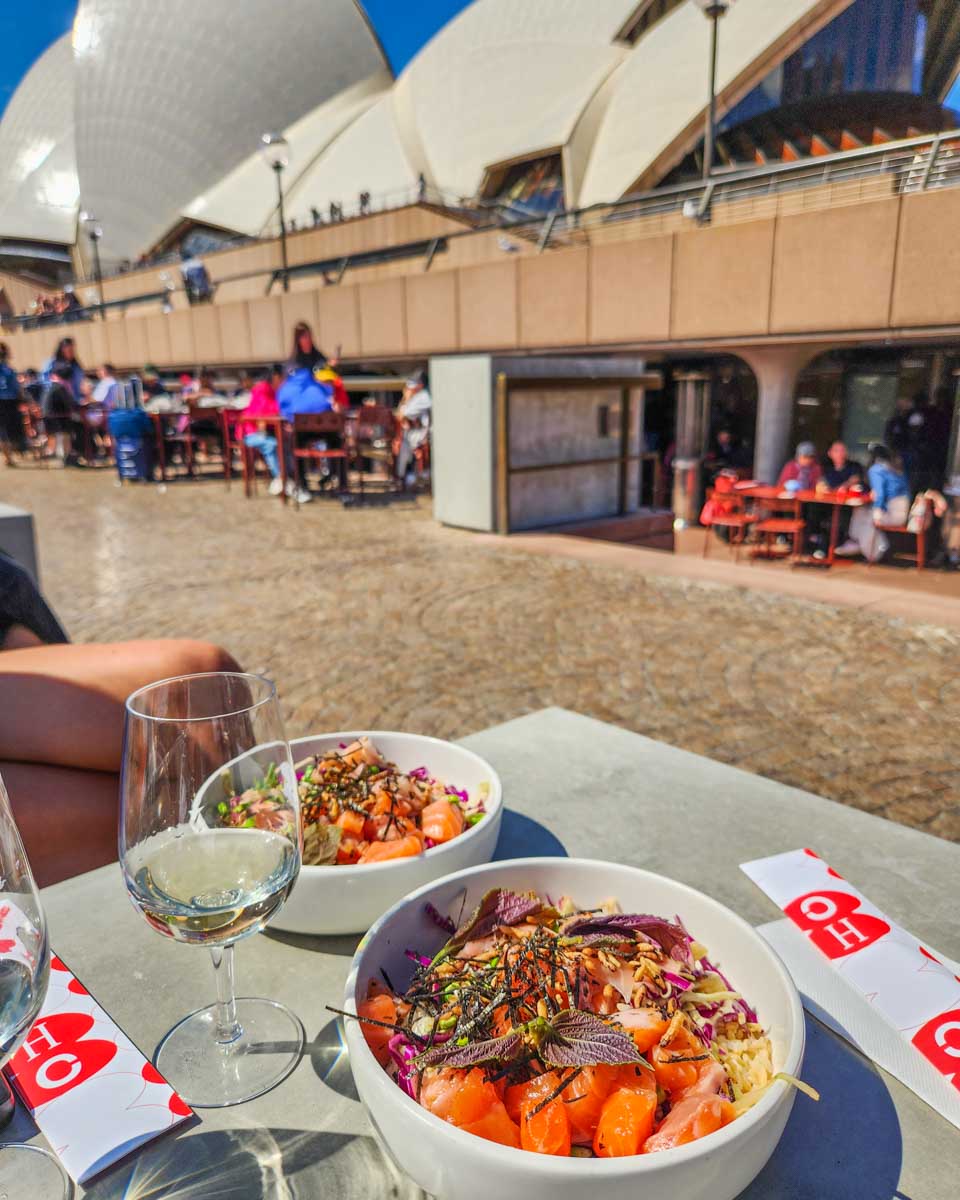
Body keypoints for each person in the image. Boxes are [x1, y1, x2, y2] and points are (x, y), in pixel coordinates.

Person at [236, 366, 309, 502]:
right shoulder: (263, 390)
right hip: (251, 434)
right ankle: (283, 479)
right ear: (276, 378)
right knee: (273, 445)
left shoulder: (276, 392)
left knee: (287, 443)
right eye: (283, 379)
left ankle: (289, 479)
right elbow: (266, 412)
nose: (285, 382)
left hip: (269, 432)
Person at [836, 445, 910, 561]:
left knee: (869, 519)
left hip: (893, 514)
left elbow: (879, 494)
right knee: (860, 511)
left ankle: (874, 552)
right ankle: (857, 542)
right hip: (901, 512)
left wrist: (877, 511)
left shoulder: (877, 469)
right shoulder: (896, 469)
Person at [395, 370, 432, 487]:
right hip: (423, 433)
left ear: (420, 385)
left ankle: (405, 477)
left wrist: (406, 398)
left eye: (412, 385)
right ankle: (411, 475)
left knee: (404, 441)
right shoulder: (422, 395)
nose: (409, 388)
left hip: (427, 434)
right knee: (405, 439)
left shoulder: (423, 396)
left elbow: (401, 414)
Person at [41, 361, 81, 461]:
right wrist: (78, 407)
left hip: (48, 416)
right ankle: (65, 456)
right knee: (65, 435)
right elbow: (69, 402)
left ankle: (60, 454)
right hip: (59, 417)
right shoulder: (61, 386)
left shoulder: (50, 385)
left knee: (58, 436)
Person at [0, 343, 24, 466]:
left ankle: (9, 457)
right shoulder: (8, 370)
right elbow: (17, 387)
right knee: (8, 430)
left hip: (8, 401)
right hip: (8, 401)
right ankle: (9, 457)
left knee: (4, 431)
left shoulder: (8, 370)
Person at [41, 337, 86, 402]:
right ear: (62, 349)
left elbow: (80, 384)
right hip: (57, 400)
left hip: (75, 401)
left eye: (72, 350)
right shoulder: (51, 363)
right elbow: (45, 382)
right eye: (69, 350)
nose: (71, 352)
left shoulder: (76, 366)